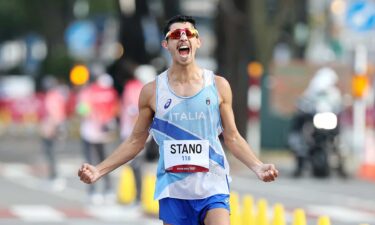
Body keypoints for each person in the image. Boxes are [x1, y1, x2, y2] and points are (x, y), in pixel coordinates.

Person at [78, 15, 278, 225]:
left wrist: (258, 166)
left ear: (198, 42)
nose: (183, 38)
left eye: (189, 33)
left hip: (213, 186)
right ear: (166, 44)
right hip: (173, 191)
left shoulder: (218, 86)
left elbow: (232, 137)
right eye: (175, 35)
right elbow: (135, 141)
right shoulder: (152, 92)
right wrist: (99, 170)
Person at [288, 67, 344, 177]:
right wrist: (304, 108)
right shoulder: (310, 93)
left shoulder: (334, 94)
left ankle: (341, 162)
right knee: (300, 133)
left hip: (328, 121)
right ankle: (300, 160)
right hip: (314, 120)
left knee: (339, 135)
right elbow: (302, 104)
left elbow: (339, 105)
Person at [76, 73, 120, 204]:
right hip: (102, 133)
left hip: (90, 132)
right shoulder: (111, 93)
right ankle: (108, 190)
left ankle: (94, 192)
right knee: (104, 163)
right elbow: (116, 110)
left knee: (90, 163)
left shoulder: (87, 92)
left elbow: (82, 110)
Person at [120, 64, 158, 202]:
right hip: (136, 133)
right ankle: (138, 196)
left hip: (135, 133)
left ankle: (139, 196)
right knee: (136, 164)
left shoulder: (134, 88)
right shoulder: (138, 89)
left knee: (136, 164)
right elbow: (134, 112)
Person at [39, 77, 69, 190]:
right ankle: (53, 176)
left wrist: (50, 130)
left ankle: (55, 177)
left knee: (52, 155)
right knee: (52, 155)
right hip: (57, 128)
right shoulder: (57, 95)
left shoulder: (52, 97)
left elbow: (54, 115)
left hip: (53, 129)